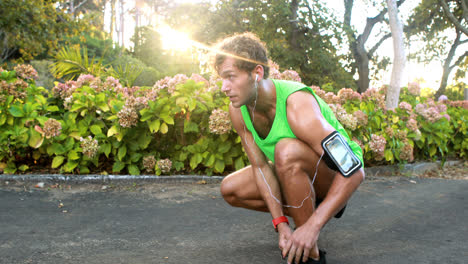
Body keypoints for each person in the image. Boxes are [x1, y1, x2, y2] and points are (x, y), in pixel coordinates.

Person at [213, 32, 365, 264]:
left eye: (231, 77)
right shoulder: (239, 110)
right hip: (295, 176)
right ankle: (306, 216)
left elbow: (353, 170)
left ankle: (310, 254)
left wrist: (312, 227)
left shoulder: (297, 105)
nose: (224, 87)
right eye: (221, 78)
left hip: (334, 176)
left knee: (286, 151)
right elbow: (261, 167)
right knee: (231, 188)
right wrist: (281, 225)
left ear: (257, 73)